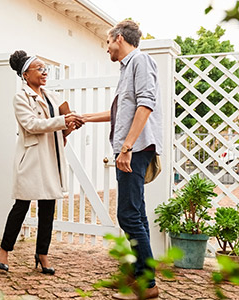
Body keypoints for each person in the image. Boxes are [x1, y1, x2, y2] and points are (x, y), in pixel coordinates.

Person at [82, 20, 161, 299]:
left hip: (135, 150)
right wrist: (85, 117)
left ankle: (146, 283)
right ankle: (141, 272)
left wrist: (127, 147)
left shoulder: (141, 61)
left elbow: (146, 104)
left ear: (118, 38)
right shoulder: (127, 68)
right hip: (131, 149)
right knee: (136, 214)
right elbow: (121, 111)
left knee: (127, 215)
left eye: (107, 42)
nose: (106, 49)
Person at [0, 50, 84, 274]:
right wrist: (64, 120)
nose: (45, 73)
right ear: (26, 75)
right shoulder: (20, 98)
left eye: (46, 69)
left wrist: (71, 125)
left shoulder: (53, 96)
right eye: (40, 69)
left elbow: (63, 123)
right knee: (21, 206)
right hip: (32, 158)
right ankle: (4, 249)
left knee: (48, 208)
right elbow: (32, 125)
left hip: (51, 156)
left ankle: (42, 255)